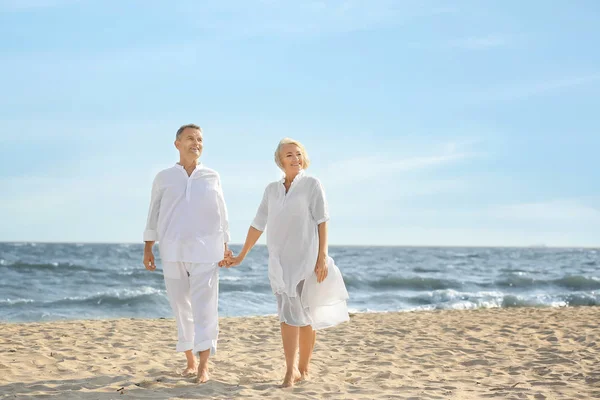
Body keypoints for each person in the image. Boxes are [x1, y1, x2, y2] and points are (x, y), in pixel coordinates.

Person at [224, 137, 349, 388]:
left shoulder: (312, 184)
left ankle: (301, 368)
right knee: (287, 316)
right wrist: (241, 254)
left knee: (306, 315)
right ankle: (291, 369)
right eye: (290, 155)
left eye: (299, 154)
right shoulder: (271, 190)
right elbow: (258, 224)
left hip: (307, 258)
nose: (296, 159)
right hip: (280, 261)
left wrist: (322, 256)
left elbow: (322, 220)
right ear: (280, 161)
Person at [143, 123, 231, 383]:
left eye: (200, 139)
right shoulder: (164, 177)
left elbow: (222, 212)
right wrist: (148, 246)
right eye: (190, 138)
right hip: (172, 248)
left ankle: (204, 365)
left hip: (207, 249)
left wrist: (225, 244)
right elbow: (153, 212)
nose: (196, 143)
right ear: (177, 144)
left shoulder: (212, 176)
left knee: (206, 308)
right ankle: (190, 361)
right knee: (182, 306)